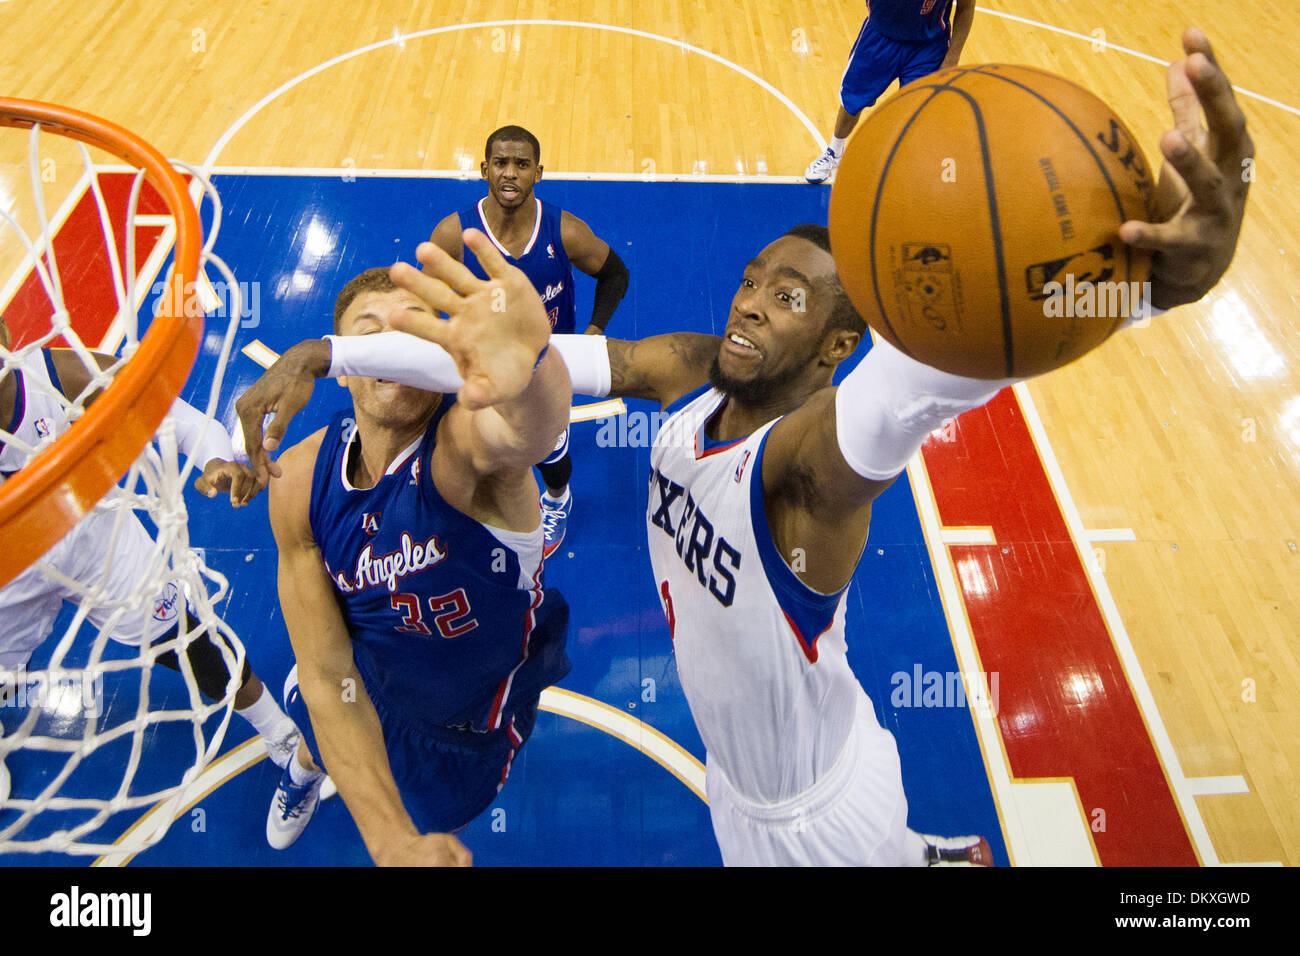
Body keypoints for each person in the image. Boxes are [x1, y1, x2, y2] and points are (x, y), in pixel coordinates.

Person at [237, 29, 1250, 865]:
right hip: (742, 773)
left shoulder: (811, 465)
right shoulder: (694, 372)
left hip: (818, 817)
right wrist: (336, 348)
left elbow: (924, 384)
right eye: (755, 278)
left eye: (790, 297)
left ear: (840, 345)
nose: (752, 302)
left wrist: (1139, 293)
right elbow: (563, 373)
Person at [245, 232, 572, 865]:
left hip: (461, 732)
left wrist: (531, 367)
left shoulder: (461, 456)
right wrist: (388, 842)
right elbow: (327, 670)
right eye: (373, 333)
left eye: (414, 332)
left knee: (437, 814)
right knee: (320, 714)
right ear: (339, 370)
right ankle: (306, 769)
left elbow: (523, 432)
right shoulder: (299, 481)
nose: (395, 348)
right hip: (366, 678)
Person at [0, 315, 301, 807]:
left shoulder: (57, 376)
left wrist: (214, 460)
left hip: (92, 537)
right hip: (10, 567)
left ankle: (281, 736)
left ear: (7, 335)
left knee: (187, 643)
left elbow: (178, 419)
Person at [430, 125, 631, 557]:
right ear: (484, 169)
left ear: (538, 172)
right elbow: (424, 298)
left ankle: (558, 500)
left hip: (545, 367)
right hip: (484, 367)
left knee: (548, 449)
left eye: (521, 165)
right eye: (500, 163)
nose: (510, 174)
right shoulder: (453, 234)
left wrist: (594, 332)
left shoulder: (565, 231)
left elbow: (616, 274)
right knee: (478, 443)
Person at [805, 0, 976, 183]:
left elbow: (966, 6)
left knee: (919, 113)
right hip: (880, 37)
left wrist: (953, 56)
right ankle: (834, 151)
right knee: (852, 101)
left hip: (928, 47)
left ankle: (907, 166)